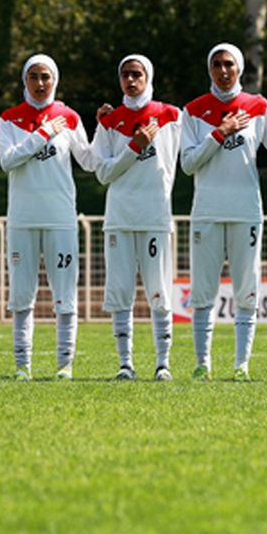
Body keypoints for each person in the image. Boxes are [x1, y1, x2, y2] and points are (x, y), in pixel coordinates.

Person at [180, 43, 267, 381]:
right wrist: (219, 133)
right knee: (203, 291)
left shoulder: (258, 105)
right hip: (207, 211)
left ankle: (242, 365)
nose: (223, 71)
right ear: (209, 69)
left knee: (247, 289)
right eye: (217, 65)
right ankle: (202, 364)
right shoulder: (193, 110)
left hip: (246, 210)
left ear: (239, 68)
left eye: (229, 65)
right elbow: (188, 163)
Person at [0, 54, 97, 380]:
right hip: (22, 219)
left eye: (46, 77)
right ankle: (22, 366)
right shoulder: (10, 119)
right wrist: (40, 135)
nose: (40, 84)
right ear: (24, 80)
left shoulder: (68, 117)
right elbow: (7, 161)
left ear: (55, 79)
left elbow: (90, 161)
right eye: (34, 77)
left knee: (65, 296)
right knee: (22, 295)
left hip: (60, 218)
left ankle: (64, 366)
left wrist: (109, 126)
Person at [93, 54, 182, 381]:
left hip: (156, 215)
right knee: (120, 292)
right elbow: (102, 172)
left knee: (160, 291)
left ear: (148, 76)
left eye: (137, 74)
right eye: (126, 74)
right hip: (119, 217)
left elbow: (188, 157)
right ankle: (125, 364)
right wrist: (135, 146)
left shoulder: (171, 115)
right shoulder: (109, 120)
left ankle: (163, 363)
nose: (131, 80)